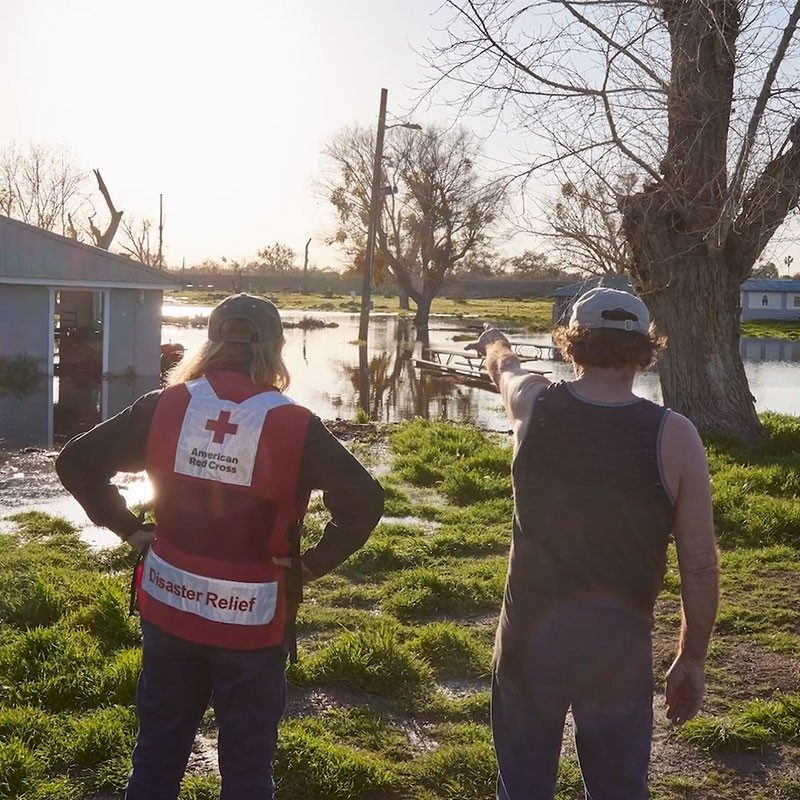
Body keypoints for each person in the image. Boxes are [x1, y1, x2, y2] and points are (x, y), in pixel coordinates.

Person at [55, 293, 384, 800]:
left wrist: (128, 528)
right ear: (275, 348)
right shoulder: (295, 426)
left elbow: (76, 462)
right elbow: (363, 499)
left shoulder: (163, 406)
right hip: (253, 623)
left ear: (211, 343)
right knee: (247, 767)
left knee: (158, 750)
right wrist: (313, 564)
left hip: (169, 607)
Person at [467, 288, 719, 800]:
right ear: (645, 350)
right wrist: (691, 658)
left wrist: (494, 341)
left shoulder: (533, 403)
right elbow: (698, 566)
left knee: (522, 789)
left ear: (571, 345)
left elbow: (503, 367)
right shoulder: (676, 436)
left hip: (526, 644)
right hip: (617, 654)